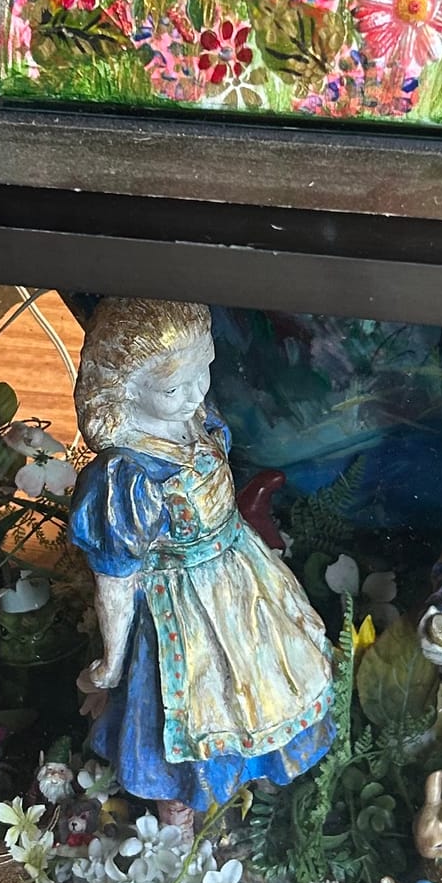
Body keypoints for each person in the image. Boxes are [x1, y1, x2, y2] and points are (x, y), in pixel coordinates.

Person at [67, 296, 335, 815]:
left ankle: (249, 808)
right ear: (122, 390)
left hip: (244, 586)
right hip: (181, 613)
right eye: (172, 387)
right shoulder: (127, 477)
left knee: (258, 692)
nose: (193, 395)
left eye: (203, 370)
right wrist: (112, 663)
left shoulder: (200, 421)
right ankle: (180, 829)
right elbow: (116, 581)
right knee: (188, 722)